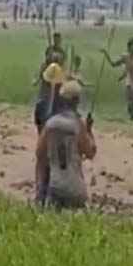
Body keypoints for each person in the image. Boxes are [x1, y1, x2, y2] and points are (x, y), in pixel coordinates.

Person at [35, 81, 96, 209]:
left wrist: (40, 190)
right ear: (77, 101)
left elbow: (40, 155)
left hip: (55, 187)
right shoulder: (78, 125)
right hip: (76, 189)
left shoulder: (50, 124)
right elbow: (91, 153)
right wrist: (89, 130)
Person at [102, 37, 133, 130]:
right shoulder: (125, 57)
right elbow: (113, 64)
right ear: (129, 47)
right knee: (131, 108)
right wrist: (106, 53)